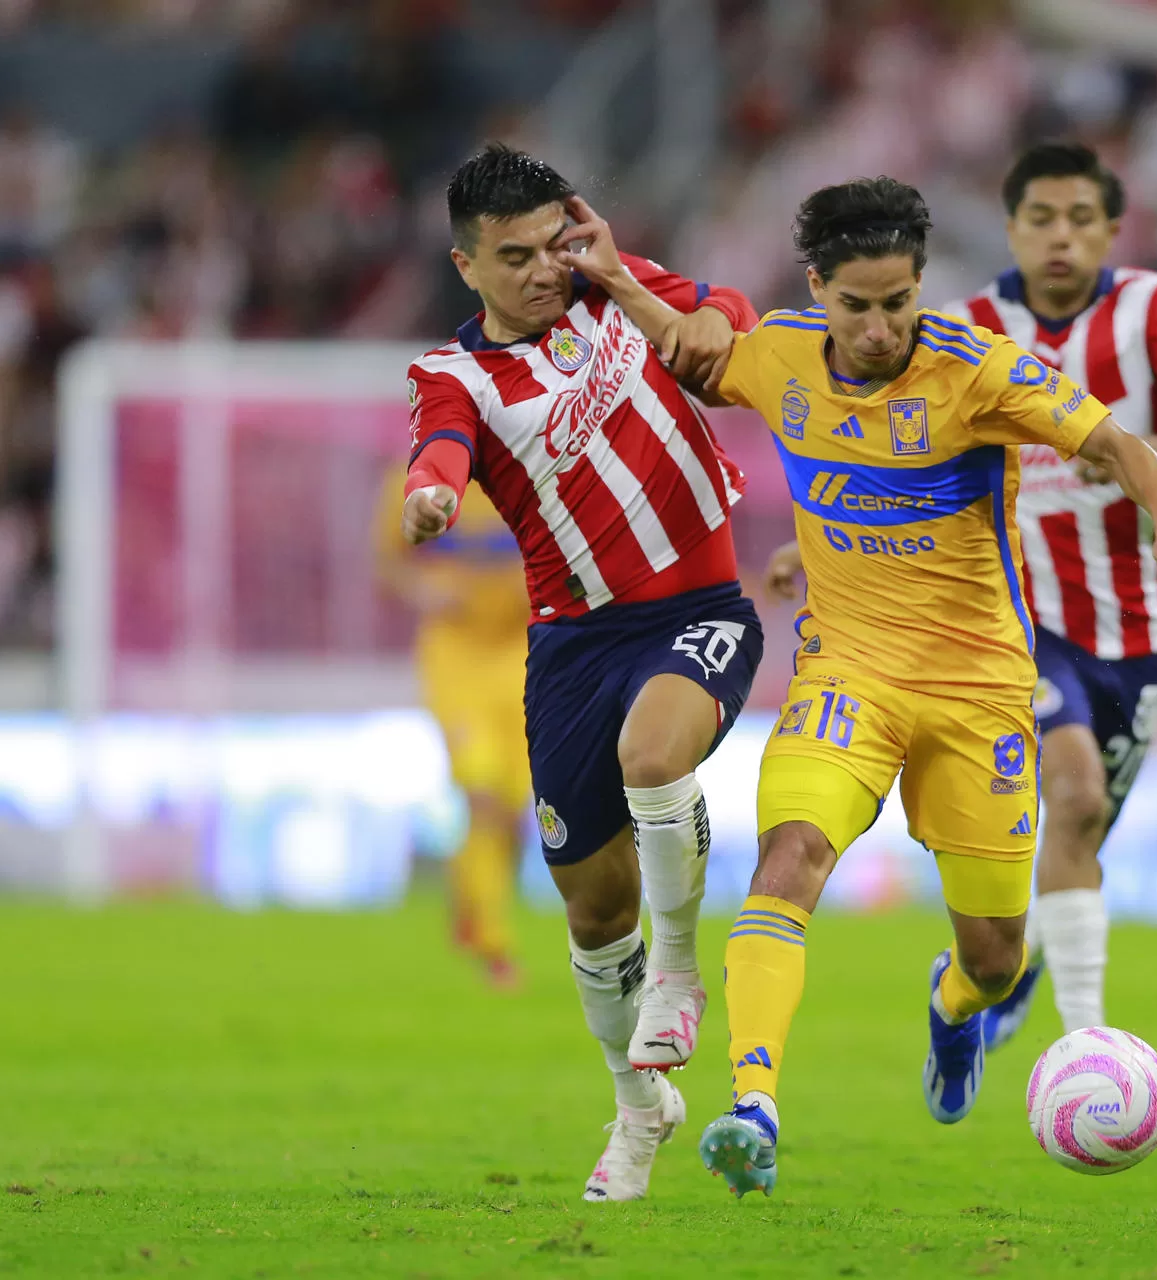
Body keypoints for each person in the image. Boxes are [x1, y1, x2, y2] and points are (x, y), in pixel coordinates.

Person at [686, 177, 1157, 1197]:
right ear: (819, 291)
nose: (883, 324)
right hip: (845, 671)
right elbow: (691, 345)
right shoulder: (774, 356)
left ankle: (952, 1011)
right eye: (859, 304)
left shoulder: (978, 371)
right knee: (790, 855)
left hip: (981, 689)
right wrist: (600, 272)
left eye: (900, 300)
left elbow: (1115, 440)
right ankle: (752, 1105)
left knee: (992, 955)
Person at [399, 144, 765, 1202]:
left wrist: (618, 278)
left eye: (549, 246)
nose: (537, 272)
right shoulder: (453, 375)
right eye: (510, 256)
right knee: (594, 910)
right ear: (466, 264)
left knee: (658, 755)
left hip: (700, 611)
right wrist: (430, 498)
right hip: (571, 649)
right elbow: (441, 448)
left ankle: (684, 972)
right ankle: (636, 1108)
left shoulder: (619, 285)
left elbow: (727, 324)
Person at [940, 142, 1157, 1046]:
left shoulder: (1149, 306)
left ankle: (989, 979)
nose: (1061, 237)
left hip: (1131, 623)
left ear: (1112, 230)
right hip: (1011, 620)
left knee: (1080, 835)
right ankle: (1087, 1049)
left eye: (1081, 219)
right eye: (1042, 218)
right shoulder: (966, 327)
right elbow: (905, 459)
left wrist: (1108, 445)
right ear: (1012, 229)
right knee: (1070, 799)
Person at [373, 463, 531, 990]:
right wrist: (421, 591)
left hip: (521, 652)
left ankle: (469, 904)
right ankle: (493, 944)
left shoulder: (534, 474)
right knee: (481, 793)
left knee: (515, 813)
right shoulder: (415, 481)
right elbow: (388, 561)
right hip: (455, 653)